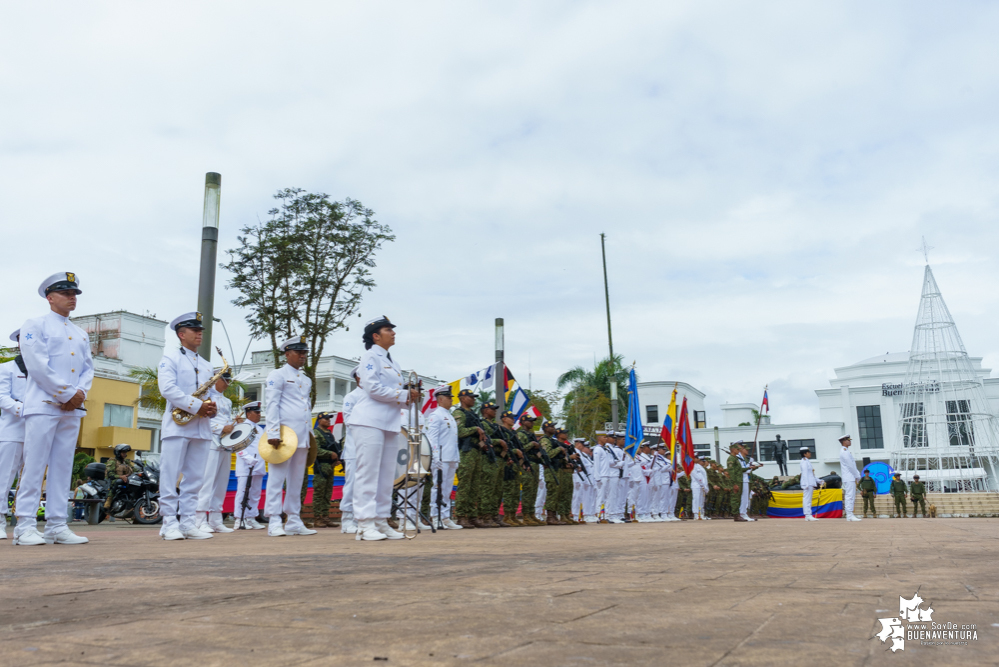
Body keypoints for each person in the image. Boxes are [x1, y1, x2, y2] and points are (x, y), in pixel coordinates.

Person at [14, 272, 94, 546]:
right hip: (44, 406)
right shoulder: (34, 325)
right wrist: (69, 393)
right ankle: (24, 526)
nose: (72, 298)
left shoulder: (80, 333)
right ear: (50, 297)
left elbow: (87, 369)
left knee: (63, 467)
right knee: (34, 467)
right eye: (66, 293)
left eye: (74, 294)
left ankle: (57, 524)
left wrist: (80, 394)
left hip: (71, 409)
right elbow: (37, 365)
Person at [348, 317, 418, 542]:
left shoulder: (393, 363)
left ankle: (380, 520)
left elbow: (392, 394)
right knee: (368, 473)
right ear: (375, 336)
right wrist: (404, 395)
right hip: (369, 420)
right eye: (388, 330)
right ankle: (364, 523)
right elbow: (372, 387)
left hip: (388, 422)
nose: (393, 333)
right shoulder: (370, 356)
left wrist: (410, 398)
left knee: (386, 475)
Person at [156, 312, 217, 541]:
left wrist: (211, 408)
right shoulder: (170, 358)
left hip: (201, 426)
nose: (199, 333)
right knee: (170, 475)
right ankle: (169, 522)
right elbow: (168, 389)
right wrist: (196, 406)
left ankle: (188, 522)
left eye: (200, 330)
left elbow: (210, 395)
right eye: (194, 330)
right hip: (177, 424)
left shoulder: (207, 365)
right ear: (182, 334)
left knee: (195, 478)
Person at [263, 336, 317, 537]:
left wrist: (310, 436)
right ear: (287, 354)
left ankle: (293, 518)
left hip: (302, 435)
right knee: (276, 479)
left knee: (297, 479)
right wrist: (273, 432)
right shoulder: (277, 375)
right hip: (284, 435)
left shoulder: (306, 379)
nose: (303, 356)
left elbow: (305, 408)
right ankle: (274, 519)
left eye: (305, 353)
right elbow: (272, 404)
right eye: (298, 352)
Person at [196, 368, 239, 534]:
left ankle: (215, 519)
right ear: (215, 379)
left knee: (221, 483)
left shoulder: (227, 401)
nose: (227, 383)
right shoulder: (206, 397)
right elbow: (203, 420)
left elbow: (227, 421)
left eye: (228, 380)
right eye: (224, 379)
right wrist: (222, 427)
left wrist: (233, 425)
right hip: (212, 441)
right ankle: (200, 520)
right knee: (207, 482)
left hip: (226, 443)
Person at [0, 329, 27, 539]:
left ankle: (26, 522)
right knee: (4, 478)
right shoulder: (6, 368)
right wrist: (25, 409)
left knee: (29, 480)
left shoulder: (44, 370)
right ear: (18, 343)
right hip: (12, 431)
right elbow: (3, 398)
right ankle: (0, 521)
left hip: (39, 432)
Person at [426, 386, 461, 529]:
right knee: (438, 487)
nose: (451, 400)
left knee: (447, 489)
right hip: (441, 457)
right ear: (440, 400)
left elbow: (453, 440)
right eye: (448, 398)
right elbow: (432, 438)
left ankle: (445, 516)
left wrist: (456, 458)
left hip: (451, 457)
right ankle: (435, 516)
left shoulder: (450, 416)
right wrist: (435, 457)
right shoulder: (436, 415)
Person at [233, 401, 266, 529]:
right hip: (246, 464)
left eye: (259, 412)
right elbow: (236, 444)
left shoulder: (260, 428)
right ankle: (239, 518)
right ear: (248, 413)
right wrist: (246, 458)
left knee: (255, 493)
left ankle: (251, 517)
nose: (259, 415)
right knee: (242, 492)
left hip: (259, 464)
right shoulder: (242, 426)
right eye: (256, 412)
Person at [339, 366, 363, 534]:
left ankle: (362, 518)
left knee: (367, 485)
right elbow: (348, 420)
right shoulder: (351, 397)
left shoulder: (374, 397)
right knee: (352, 485)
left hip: (370, 448)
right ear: (358, 378)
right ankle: (347, 518)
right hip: (355, 448)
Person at [311, 412, 341, 528]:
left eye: (329, 419)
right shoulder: (316, 433)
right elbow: (316, 450)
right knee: (319, 493)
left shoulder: (329, 434)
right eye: (326, 419)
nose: (328, 420)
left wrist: (335, 458)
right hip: (321, 466)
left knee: (328, 494)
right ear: (319, 420)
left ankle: (325, 517)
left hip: (330, 466)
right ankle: (317, 518)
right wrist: (330, 454)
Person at [515, 414, 543, 526]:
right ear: (523, 422)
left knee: (533, 491)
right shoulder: (521, 434)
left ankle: (531, 514)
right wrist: (532, 444)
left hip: (535, 464)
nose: (532, 423)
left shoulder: (531, 434)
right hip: (527, 464)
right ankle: (526, 515)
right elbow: (521, 450)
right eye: (530, 421)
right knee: (527, 490)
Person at [104, 443, 137, 514]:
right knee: (118, 481)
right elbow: (110, 474)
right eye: (123, 452)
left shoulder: (126, 462)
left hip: (127, 480)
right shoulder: (112, 461)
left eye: (125, 452)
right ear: (118, 453)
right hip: (113, 480)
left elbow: (134, 470)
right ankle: (108, 501)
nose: (125, 454)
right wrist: (120, 477)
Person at [838, 435, 862, 521]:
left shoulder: (846, 451)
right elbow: (851, 466)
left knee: (851, 496)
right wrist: (857, 475)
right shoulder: (844, 451)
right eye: (848, 440)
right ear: (844, 441)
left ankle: (850, 514)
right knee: (849, 496)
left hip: (850, 476)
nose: (850, 442)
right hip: (849, 476)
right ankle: (849, 515)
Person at [726, 444, 749, 523]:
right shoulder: (731, 459)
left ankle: (738, 514)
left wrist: (749, 468)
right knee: (735, 499)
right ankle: (736, 515)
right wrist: (734, 484)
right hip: (736, 482)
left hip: (739, 481)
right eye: (737, 449)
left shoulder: (736, 459)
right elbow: (732, 473)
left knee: (738, 499)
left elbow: (739, 470)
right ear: (733, 449)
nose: (738, 450)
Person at [799, 447, 819, 521]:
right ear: (804, 454)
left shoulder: (807, 461)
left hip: (810, 482)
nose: (810, 453)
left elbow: (811, 474)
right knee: (807, 499)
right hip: (807, 483)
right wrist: (806, 484)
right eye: (808, 452)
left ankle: (808, 515)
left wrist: (818, 480)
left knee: (808, 499)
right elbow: (804, 473)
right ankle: (807, 515)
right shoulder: (804, 462)